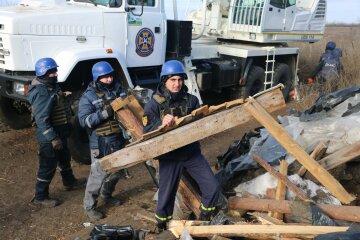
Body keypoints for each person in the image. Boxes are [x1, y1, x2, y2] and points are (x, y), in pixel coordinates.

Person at [142, 60, 221, 230]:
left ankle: (204, 216)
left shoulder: (191, 100)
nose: (177, 84)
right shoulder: (154, 103)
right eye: (173, 80)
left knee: (212, 186)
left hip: (191, 153)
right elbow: (145, 130)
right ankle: (162, 225)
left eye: (179, 80)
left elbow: (201, 124)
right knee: (166, 196)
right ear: (164, 81)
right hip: (170, 157)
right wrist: (160, 123)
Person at [27, 57, 87, 208]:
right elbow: (41, 120)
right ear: (43, 73)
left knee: (64, 159)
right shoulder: (41, 92)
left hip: (61, 132)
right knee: (47, 166)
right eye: (52, 72)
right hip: (49, 137)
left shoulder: (51, 86)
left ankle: (69, 182)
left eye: (55, 70)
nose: (55, 73)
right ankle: (40, 196)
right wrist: (53, 138)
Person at [78, 61, 127, 220]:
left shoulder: (118, 89)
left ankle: (107, 195)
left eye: (110, 76)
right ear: (97, 78)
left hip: (118, 139)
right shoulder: (88, 96)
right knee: (97, 175)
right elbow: (84, 121)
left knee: (117, 172)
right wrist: (104, 113)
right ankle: (89, 206)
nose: (109, 79)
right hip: (100, 142)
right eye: (105, 77)